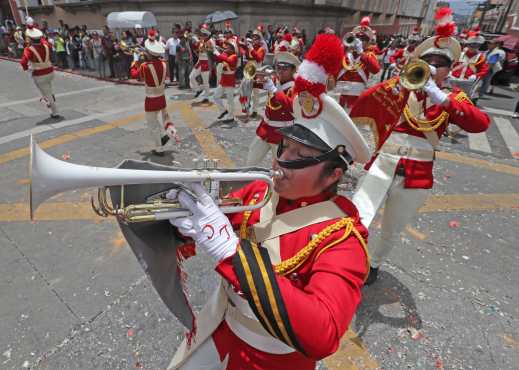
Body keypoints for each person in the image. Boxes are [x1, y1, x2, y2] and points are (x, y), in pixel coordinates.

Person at [166, 34, 371, 370]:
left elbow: (324, 335)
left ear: (334, 175)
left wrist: (232, 252)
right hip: (220, 324)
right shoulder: (261, 192)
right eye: (284, 147)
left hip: (274, 360)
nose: (280, 163)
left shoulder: (342, 238)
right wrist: (181, 220)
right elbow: (212, 225)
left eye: (301, 155)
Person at [350, 8, 491, 285]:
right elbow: (364, 100)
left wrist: (444, 100)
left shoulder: (454, 97)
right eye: (429, 61)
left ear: (448, 69)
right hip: (384, 163)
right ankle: (348, 261)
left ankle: (375, 264)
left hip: (417, 173)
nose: (434, 66)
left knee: (392, 227)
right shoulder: (401, 87)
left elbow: (480, 124)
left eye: (441, 63)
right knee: (358, 215)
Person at [246, 48, 299, 166]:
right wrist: (252, 79)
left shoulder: (295, 87)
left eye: (285, 68)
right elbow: (258, 83)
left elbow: (291, 107)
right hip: (265, 131)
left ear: (293, 70)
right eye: (278, 67)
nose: (280, 71)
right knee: (250, 163)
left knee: (280, 169)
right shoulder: (275, 80)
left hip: (281, 135)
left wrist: (274, 90)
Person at [140, 30, 179, 156]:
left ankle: (159, 148)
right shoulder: (163, 64)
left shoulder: (145, 66)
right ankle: (165, 135)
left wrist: (135, 63)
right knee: (163, 118)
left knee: (152, 124)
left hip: (151, 100)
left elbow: (136, 76)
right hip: (161, 98)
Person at [334, 17, 380, 112]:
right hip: (340, 94)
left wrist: (361, 52)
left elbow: (375, 69)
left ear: (367, 42)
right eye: (357, 38)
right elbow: (336, 67)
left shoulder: (368, 55)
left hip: (356, 96)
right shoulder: (346, 53)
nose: (359, 41)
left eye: (363, 39)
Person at [20, 18, 60, 119]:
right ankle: (49, 100)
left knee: (46, 94)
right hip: (50, 72)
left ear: (30, 38)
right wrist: (33, 29)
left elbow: (23, 62)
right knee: (48, 90)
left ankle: (54, 111)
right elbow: (43, 40)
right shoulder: (46, 45)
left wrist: (26, 69)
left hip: (39, 75)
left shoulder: (29, 49)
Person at [450, 30, 488, 103]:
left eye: (476, 46)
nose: (473, 48)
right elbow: (452, 65)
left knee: (465, 102)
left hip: (469, 83)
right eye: (471, 45)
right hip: (454, 81)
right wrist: (450, 73)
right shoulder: (459, 54)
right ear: (467, 45)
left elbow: (483, 71)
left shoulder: (481, 57)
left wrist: (475, 76)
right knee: (451, 101)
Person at [239, 28, 266, 119]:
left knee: (255, 92)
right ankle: (246, 105)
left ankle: (255, 110)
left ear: (259, 40)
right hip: (248, 68)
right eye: (253, 38)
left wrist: (250, 48)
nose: (254, 40)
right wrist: (244, 47)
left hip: (257, 70)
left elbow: (258, 58)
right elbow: (246, 56)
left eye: (256, 38)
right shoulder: (251, 47)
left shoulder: (262, 49)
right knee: (242, 88)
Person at [212, 40, 238, 124]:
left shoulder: (234, 56)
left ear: (233, 49)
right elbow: (218, 58)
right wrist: (216, 51)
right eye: (227, 46)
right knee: (216, 96)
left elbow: (228, 61)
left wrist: (219, 53)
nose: (226, 48)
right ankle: (223, 111)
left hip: (230, 79)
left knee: (230, 100)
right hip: (223, 79)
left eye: (229, 47)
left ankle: (231, 116)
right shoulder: (225, 54)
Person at [190, 25, 214, 104]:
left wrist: (206, 47)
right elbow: (195, 49)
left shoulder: (210, 42)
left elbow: (211, 52)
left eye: (203, 35)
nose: (201, 36)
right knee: (191, 77)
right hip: (200, 62)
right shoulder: (200, 41)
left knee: (206, 82)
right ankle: (198, 89)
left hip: (206, 62)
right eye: (201, 35)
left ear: (206, 35)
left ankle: (206, 97)